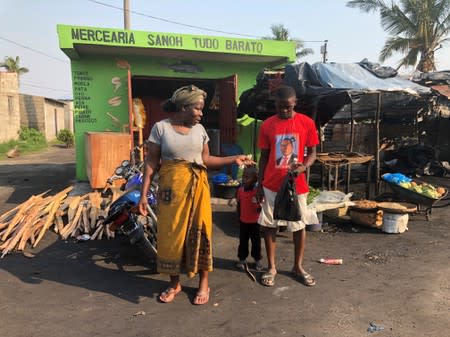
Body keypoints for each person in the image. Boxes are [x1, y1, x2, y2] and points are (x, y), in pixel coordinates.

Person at [138, 84, 253, 305]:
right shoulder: (160, 128)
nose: (201, 113)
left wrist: (233, 159)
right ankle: (175, 283)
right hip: (171, 191)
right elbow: (151, 162)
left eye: (202, 109)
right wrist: (144, 195)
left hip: (198, 189)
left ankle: (203, 283)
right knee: (171, 235)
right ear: (183, 107)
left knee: (201, 233)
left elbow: (206, 160)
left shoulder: (200, 131)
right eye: (198, 108)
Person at [256, 85, 319, 287]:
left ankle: (297, 266)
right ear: (275, 104)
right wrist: (259, 184)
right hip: (271, 184)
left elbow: (312, 153)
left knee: (299, 226)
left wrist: (304, 166)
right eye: (280, 107)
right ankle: (271, 267)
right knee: (269, 226)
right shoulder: (267, 125)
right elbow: (264, 157)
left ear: (295, 104)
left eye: (288, 107)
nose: (284, 111)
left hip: (297, 185)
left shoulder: (307, 123)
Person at [235, 166, 263, 271]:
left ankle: (257, 260)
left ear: (255, 178)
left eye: (247, 177)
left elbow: (262, 205)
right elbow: (238, 204)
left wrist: (260, 209)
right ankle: (242, 259)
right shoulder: (240, 191)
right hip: (243, 222)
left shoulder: (258, 191)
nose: (244, 179)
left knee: (256, 242)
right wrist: (237, 217)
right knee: (243, 241)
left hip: (255, 222)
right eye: (243, 176)